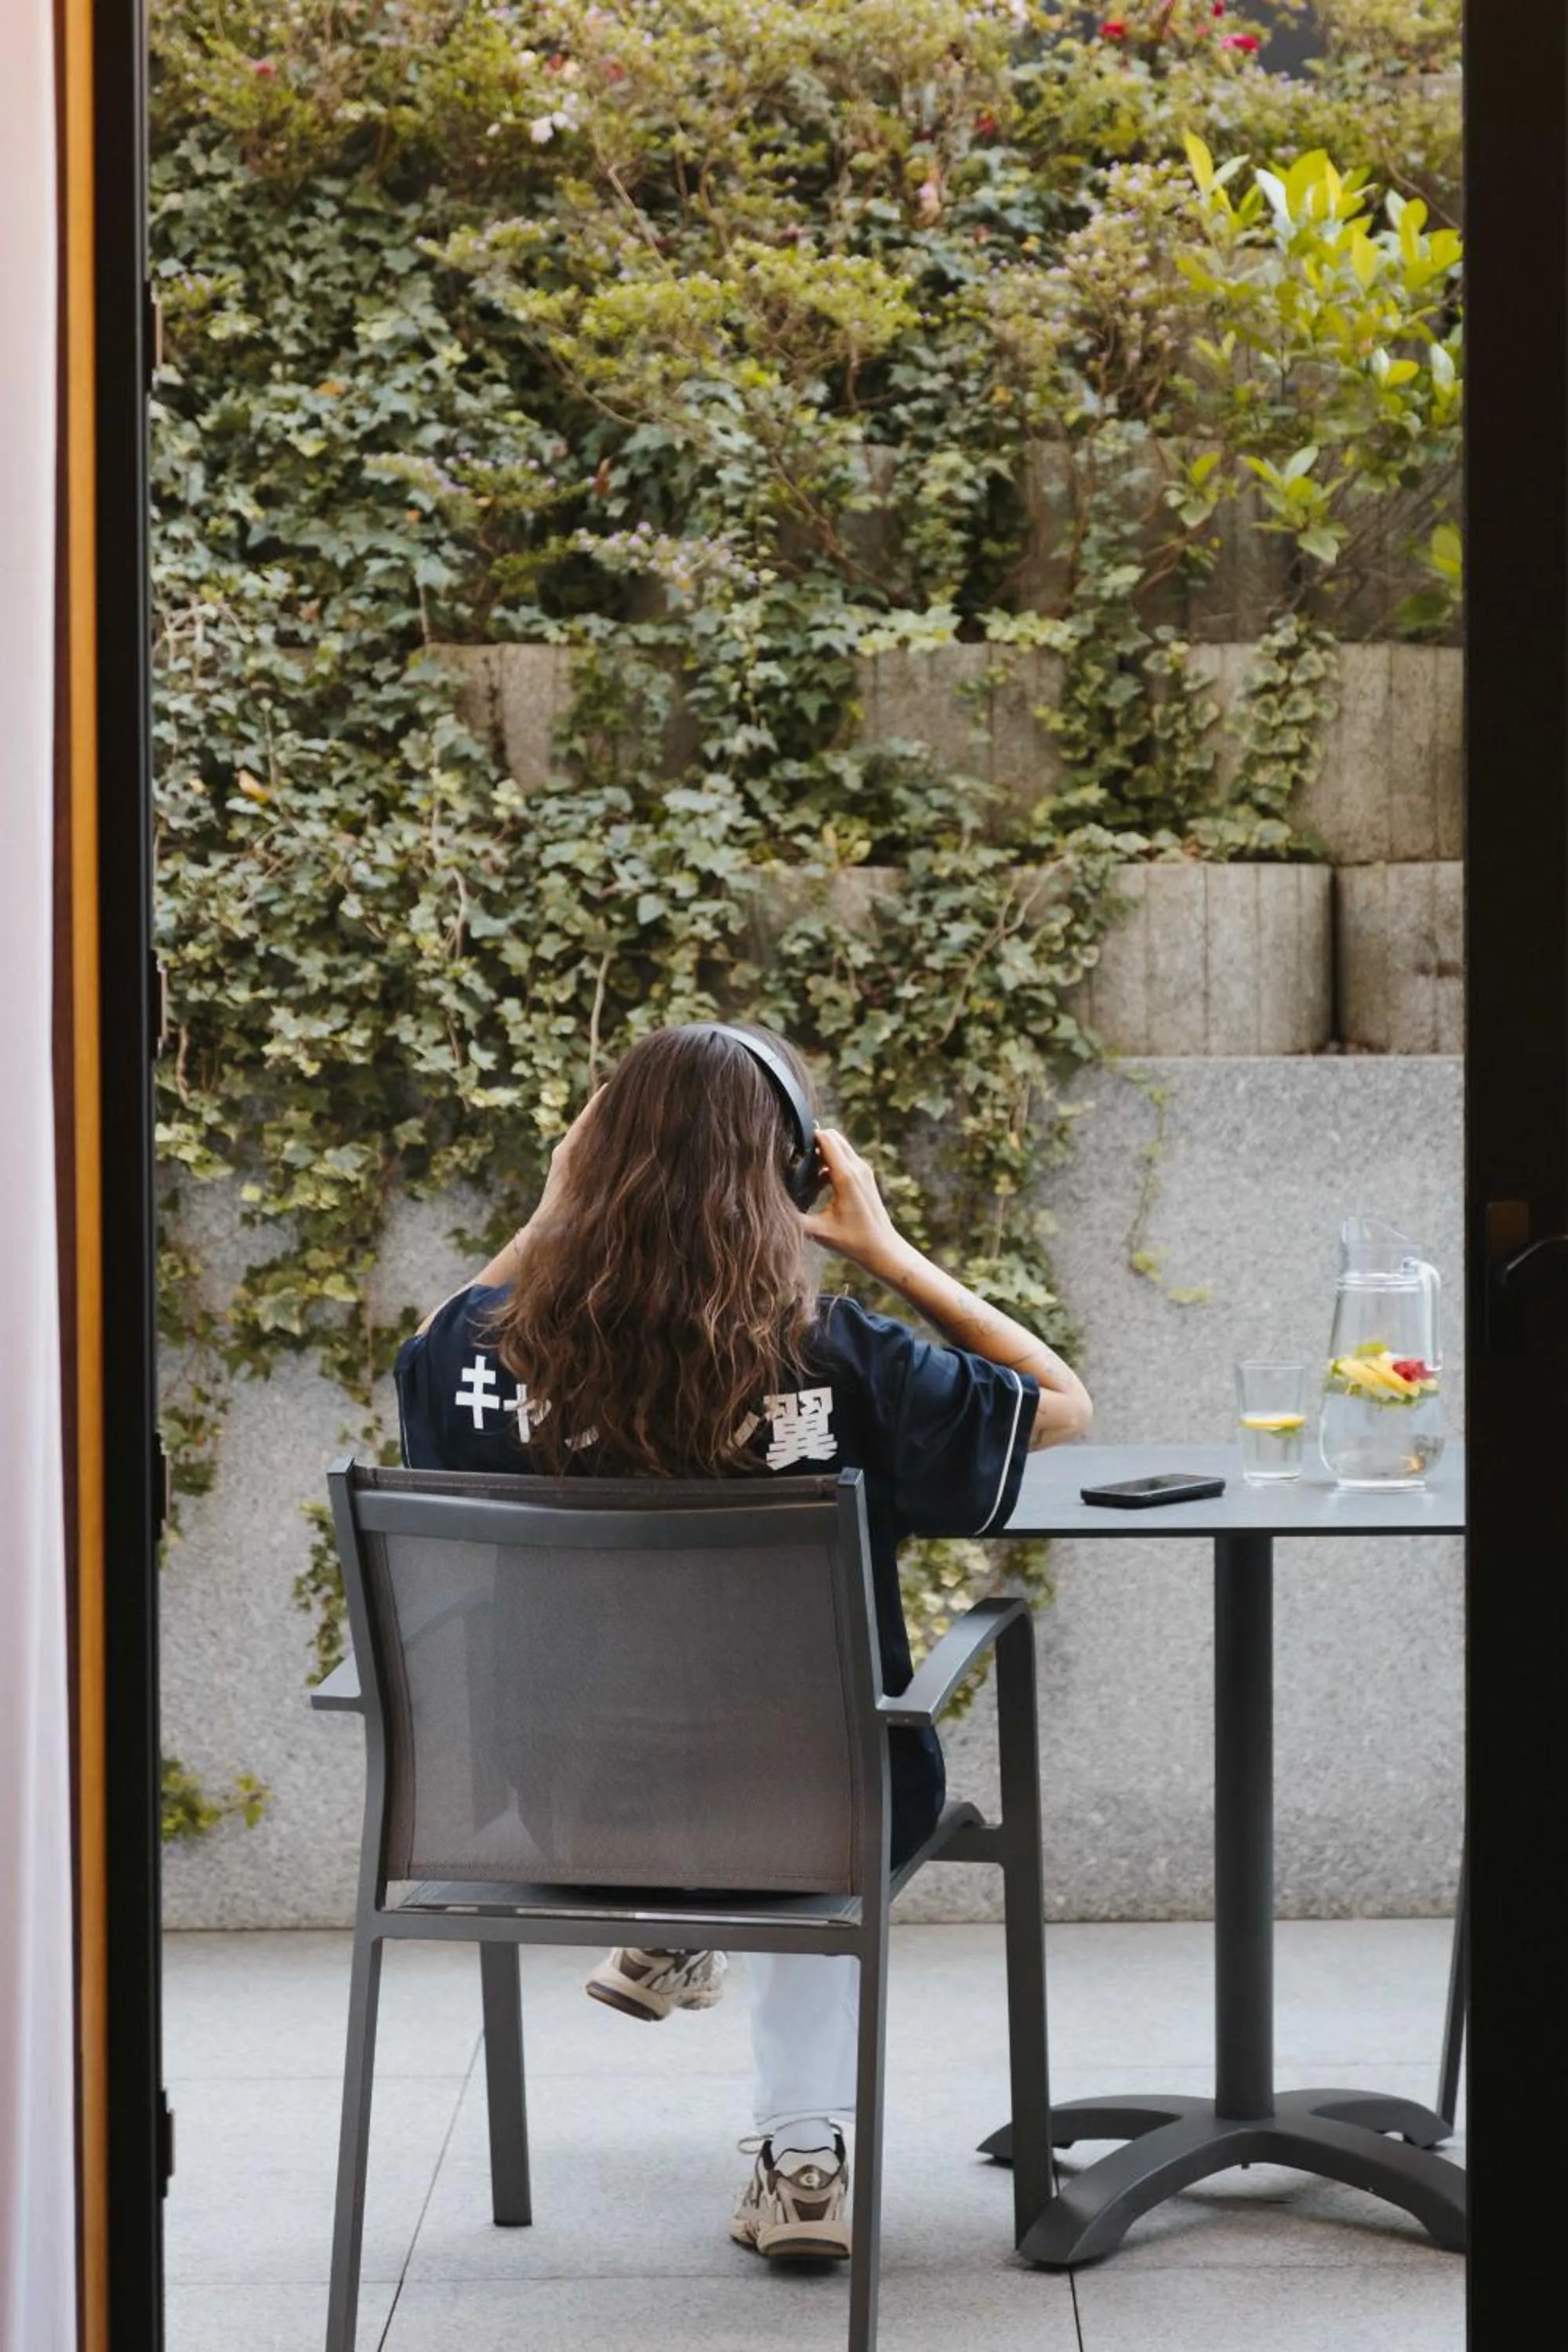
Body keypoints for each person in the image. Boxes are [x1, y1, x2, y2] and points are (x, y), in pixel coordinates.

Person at [394, 1023, 1091, 2264]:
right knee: (823, 1786)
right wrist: (884, 1249)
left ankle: (676, 1916)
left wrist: (551, 1215)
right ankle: (800, 2155)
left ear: (586, 1164)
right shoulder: (842, 1361)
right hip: (808, 1805)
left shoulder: (489, 1356)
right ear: (793, 1178)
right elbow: (1064, 1404)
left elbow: (427, 1349)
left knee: (762, 1780)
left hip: (571, 1801)